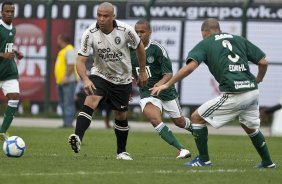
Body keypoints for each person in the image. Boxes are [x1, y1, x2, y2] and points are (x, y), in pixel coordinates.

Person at [151, 18, 276, 168]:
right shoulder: (239, 39)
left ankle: (203, 160)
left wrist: (167, 84)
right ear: (219, 29)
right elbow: (263, 62)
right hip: (252, 91)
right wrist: (258, 79)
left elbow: (190, 68)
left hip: (235, 93)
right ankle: (268, 163)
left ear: (204, 32)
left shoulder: (206, 43)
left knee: (196, 117)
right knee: (249, 127)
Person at [68, 2, 148, 160]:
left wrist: (143, 71)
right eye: (99, 15)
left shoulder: (126, 30)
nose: (101, 19)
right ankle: (77, 138)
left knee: (120, 115)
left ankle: (121, 152)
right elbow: (80, 61)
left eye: (105, 16)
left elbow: (139, 48)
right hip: (100, 75)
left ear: (113, 17)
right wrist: (85, 79)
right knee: (91, 100)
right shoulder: (89, 33)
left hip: (123, 79)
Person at [130, 19, 192, 159]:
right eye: (136, 32)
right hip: (147, 92)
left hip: (166, 91)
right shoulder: (129, 50)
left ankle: (197, 130)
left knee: (180, 122)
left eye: (142, 32)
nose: (139, 35)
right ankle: (181, 149)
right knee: (154, 120)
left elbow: (169, 73)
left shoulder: (158, 49)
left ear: (150, 33)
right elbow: (126, 72)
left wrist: (161, 83)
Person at [0, 1, 23, 140]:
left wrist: (15, 52)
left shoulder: (12, 28)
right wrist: (3, 55)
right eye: (7, 11)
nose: (9, 14)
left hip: (9, 71)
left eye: (11, 12)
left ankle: (2, 131)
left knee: (14, 98)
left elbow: (6, 46)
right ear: (1, 12)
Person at [55, 34, 79, 128]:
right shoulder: (64, 50)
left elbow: (71, 65)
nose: (57, 41)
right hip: (62, 81)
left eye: (58, 39)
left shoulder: (69, 50)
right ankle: (66, 122)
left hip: (68, 81)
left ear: (61, 40)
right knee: (63, 103)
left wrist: (66, 77)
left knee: (68, 102)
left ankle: (68, 123)